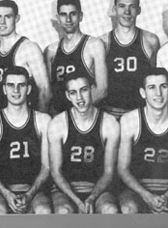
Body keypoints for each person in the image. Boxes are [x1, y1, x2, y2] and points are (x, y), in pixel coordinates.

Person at [118, 67, 168, 214]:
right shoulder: (129, 120)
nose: (158, 93)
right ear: (143, 93)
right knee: (128, 209)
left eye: (164, 86)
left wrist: (166, 196)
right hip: (138, 190)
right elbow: (123, 169)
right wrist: (147, 196)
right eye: (152, 87)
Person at [47, 73, 119, 214]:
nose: (79, 98)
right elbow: (56, 172)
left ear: (92, 90)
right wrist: (77, 201)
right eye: (73, 93)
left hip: (97, 188)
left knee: (110, 210)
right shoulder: (57, 123)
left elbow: (109, 172)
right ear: (68, 96)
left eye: (83, 90)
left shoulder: (110, 123)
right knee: (63, 211)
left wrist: (92, 198)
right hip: (65, 189)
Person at [0, 67, 52, 214]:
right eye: (11, 85)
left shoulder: (43, 121)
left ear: (28, 89)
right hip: (1, 191)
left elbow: (46, 167)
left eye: (21, 85)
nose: (16, 90)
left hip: (33, 190)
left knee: (44, 210)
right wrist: (6, 193)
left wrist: (29, 194)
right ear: (4, 89)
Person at [98, 0, 160, 117]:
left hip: (141, 114)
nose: (127, 12)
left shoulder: (150, 40)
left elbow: (156, 79)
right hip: (109, 113)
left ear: (139, 10)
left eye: (132, 7)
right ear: (114, 9)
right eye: (122, 6)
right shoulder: (102, 42)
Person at [44, 0, 108, 115]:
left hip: (85, 117)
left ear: (80, 16)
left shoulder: (94, 45)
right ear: (58, 18)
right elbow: (49, 93)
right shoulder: (51, 50)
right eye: (63, 15)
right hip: (60, 118)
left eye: (72, 14)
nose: (68, 19)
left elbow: (102, 90)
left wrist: (74, 115)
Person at [0, 0, 51, 113]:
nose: (2, 22)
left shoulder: (29, 48)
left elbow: (45, 91)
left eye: (7, 17)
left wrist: (37, 124)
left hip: (24, 121)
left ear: (16, 19)